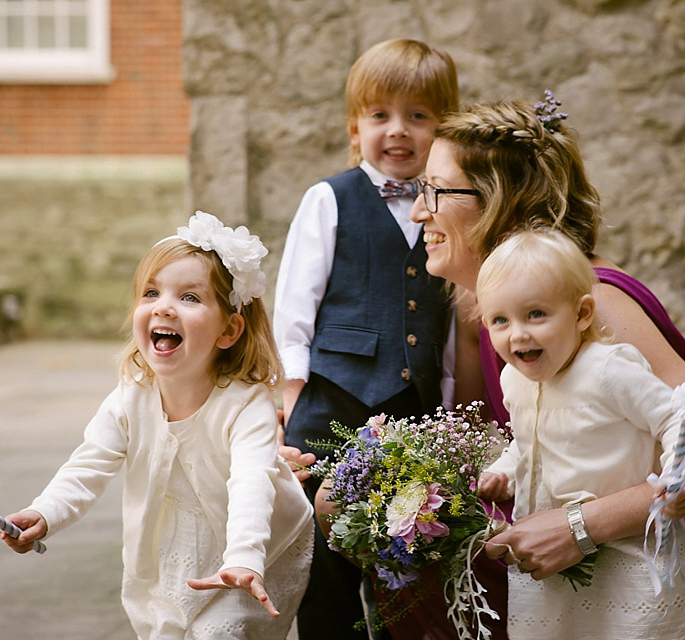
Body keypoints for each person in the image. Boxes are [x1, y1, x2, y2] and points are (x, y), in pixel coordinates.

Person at [407, 97, 685, 631]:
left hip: (637, 574)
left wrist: (577, 527)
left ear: (498, 203)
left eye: (436, 191)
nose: (419, 211)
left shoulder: (597, 306)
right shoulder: (489, 312)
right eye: (421, 190)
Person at [2, 211, 314, 640]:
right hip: (169, 548)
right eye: (151, 292)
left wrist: (243, 557)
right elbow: (88, 465)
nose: (164, 306)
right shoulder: (132, 395)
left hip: (254, 546)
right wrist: (45, 512)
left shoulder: (246, 404)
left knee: (219, 634)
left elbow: (251, 483)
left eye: (189, 297)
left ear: (229, 329)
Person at [474, 227, 685, 638]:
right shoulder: (515, 379)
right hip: (563, 552)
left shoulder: (608, 369)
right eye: (501, 320)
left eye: (536, 314)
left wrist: (680, 477)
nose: (518, 333)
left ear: (583, 313)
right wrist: (504, 472)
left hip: (629, 543)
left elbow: (676, 419)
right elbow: (528, 443)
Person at [273, 38, 459, 639]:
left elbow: (452, 317)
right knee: (323, 560)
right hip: (330, 402)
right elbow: (296, 302)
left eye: (418, 116)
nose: (397, 131)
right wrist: (291, 394)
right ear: (356, 128)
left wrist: (450, 403)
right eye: (381, 116)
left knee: (405, 556)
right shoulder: (330, 199)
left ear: (444, 127)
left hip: (415, 414)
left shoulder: (447, 210)